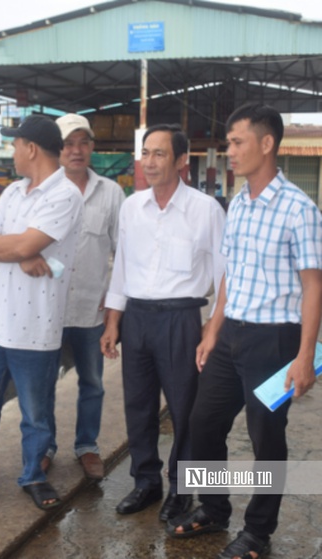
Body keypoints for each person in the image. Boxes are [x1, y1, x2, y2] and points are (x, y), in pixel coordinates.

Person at [167, 104, 322, 559]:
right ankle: (214, 508)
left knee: (265, 436)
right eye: (229, 143)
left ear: (266, 143)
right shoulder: (238, 204)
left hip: (275, 340)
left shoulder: (300, 209)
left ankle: (258, 532)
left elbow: (314, 286)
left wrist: (305, 355)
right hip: (232, 332)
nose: (229, 151)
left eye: (237, 142)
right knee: (202, 423)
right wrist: (213, 329)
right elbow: (230, 275)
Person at [0, 115, 83, 511]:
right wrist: (13, 250)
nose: (12, 153)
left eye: (14, 145)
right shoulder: (12, 192)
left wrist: (15, 248)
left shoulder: (65, 195)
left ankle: (33, 474)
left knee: (36, 409)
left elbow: (21, 245)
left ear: (30, 148)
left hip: (35, 327)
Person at [101, 123, 226, 522]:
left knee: (184, 409)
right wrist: (112, 321)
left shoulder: (205, 209)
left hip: (181, 319)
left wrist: (212, 327)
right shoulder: (131, 206)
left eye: (159, 154)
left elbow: (225, 274)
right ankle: (146, 482)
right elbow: (121, 267)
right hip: (136, 317)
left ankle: (182, 489)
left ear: (181, 161)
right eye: (145, 153)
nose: (149, 162)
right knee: (138, 405)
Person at [41, 113, 125, 480]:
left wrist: (114, 312)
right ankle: (43, 446)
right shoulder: (40, 190)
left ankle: (87, 446)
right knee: (42, 383)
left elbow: (125, 255)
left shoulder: (111, 193)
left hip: (91, 311)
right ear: (57, 149)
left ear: (92, 147)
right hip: (46, 311)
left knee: (92, 383)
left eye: (83, 142)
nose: (76, 150)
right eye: (68, 143)